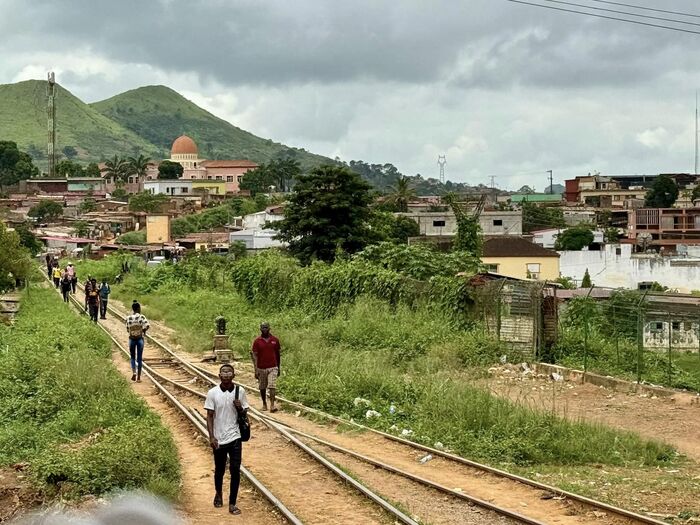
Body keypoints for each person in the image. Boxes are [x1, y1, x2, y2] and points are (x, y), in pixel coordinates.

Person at [204, 364, 249, 515]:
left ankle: (232, 503)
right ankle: (218, 493)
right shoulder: (212, 393)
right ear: (219, 375)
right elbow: (209, 416)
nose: (226, 374)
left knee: (235, 470)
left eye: (229, 372)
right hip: (219, 438)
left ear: (233, 376)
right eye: (223, 372)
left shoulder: (240, 391)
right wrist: (211, 436)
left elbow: (245, 416)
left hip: (235, 436)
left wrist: (240, 408)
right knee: (220, 470)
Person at [251, 322, 281, 412]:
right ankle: (264, 403)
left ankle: (272, 405)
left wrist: (278, 367)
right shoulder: (257, 341)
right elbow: (255, 356)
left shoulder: (275, 340)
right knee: (262, 387)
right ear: (260, 329)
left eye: (266, 327)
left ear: (269, 328)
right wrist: (255, 369)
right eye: (263, 327)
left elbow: (278, 354)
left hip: (273, 367)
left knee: (272, 385)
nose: (265, 329)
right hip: (261, 367)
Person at [125, 300, 150, 382]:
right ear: (138, 308)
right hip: (140, 339)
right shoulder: (142, 317)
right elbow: (147, 325)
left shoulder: (128, 318)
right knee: (139, 358)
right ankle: (139, 377)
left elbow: (127, 329)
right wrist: (143, 331)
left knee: (132, 357)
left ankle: (134, 373)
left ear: (132, 309)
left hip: (132, 340)